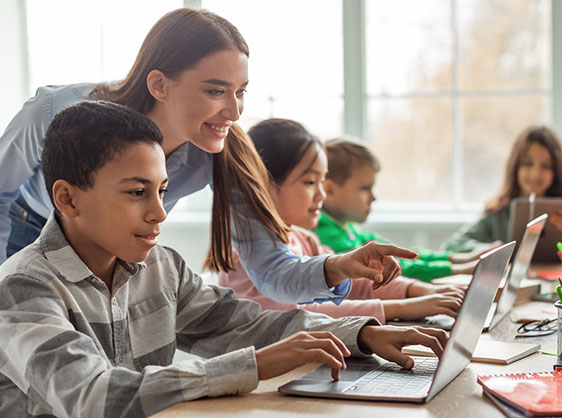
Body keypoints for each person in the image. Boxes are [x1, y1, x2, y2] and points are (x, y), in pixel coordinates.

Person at [0, 101, 448, 418]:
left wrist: (365, 335)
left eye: (161, 191)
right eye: (137, 192)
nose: (158, 212)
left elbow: (251, 325)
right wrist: (253, 365)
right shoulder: (22, 289)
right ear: (67, 198)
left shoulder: (161, 268)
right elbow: (93, 399)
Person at [0, 8, 416, 304]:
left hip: (114, 243)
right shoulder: (55, 110)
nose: (235, 113)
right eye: (216, 91)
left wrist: (340, 265)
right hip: (32, 229)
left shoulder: (218, 151)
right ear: (160, 84)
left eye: (241, 92)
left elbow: (270, 269)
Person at [218, 119, 464, 324]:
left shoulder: (306, 239)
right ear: (264, 184)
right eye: (309, 182)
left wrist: (424, 292)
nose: (322, 195)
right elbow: (295, 316)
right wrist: (401, 308)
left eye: (322, 183)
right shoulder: (247, 254)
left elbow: (356, 283)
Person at [314, 138, 494, 282]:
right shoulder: (323, 234)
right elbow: (393, 268)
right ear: (329, 190)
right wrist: (459, 268)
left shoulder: (348, 228)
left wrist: (457, 258)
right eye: (364, 188)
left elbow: (400, 253)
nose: (373, 197)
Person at [443, 125, 562, 252]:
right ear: (515, 167)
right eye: (527, 163)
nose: (536, 174)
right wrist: (493, 250)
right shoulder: (498, 213)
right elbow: (451, 245)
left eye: (546, 166)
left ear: (556, 171)